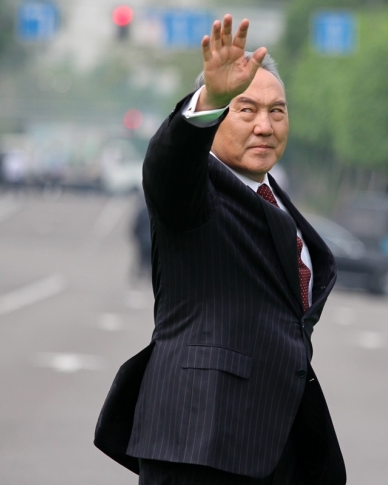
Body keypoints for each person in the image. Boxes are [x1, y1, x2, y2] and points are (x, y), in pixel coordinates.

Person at [96, 16, 345, 485]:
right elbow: (168, 165)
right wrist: (208, 100)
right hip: (201, 440)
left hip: (271, 445)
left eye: (277, 111)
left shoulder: (275, 197)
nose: (265, 126)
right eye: (245, 110)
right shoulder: (194, 191)